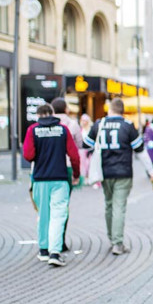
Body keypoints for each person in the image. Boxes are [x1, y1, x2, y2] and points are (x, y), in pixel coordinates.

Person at [83, 98, 153, 255]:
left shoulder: (99, 124)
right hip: (123, 172)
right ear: (122, 111)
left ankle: (112, 238)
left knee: (109, 204)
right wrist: (151, 171)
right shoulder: (127, 126)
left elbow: (86, 145)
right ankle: (117, 243)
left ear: (110, 109)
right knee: (119, 206)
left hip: (104, 172)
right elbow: (140, 151)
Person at [23, 103, 80, 267]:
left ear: (38, 115)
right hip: (59, 178)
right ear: (52, 113)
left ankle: (43, 250)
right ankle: (55, 252)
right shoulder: (63, 130)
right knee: (58, 214)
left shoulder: (32, 130)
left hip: (40, 178)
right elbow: (74, 155)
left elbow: (28, 155)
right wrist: (76, 174)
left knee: (43, 214)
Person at [51, 98, 84, 251]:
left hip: (47, 168)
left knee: (48, 207)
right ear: (66, 109)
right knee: (63, 205)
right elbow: (79, 146)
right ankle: (60, 239)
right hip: (67, 167)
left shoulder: (44, 124)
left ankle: (48, 240)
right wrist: (77, 174)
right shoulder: (72, 124)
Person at [79, 113, 93, 181]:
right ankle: (84, 178)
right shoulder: (80, 129)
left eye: (85, 120)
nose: (84, 122)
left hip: (91, 149)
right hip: (83, 150)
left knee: (90, 164)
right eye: (83, 120)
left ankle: (91, 177)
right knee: (83, 165)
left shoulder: (91, 129)